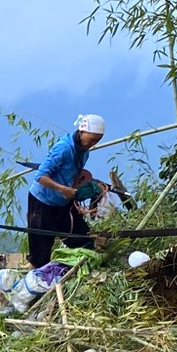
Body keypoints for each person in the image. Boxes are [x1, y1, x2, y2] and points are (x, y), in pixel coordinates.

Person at [25, 114, 108, 268]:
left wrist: (83, 186)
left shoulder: (84, 151)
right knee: (40, 253)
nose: (93, 144)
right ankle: (37, 277)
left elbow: (73, 174)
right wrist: (63, 189)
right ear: (82, 132)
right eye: (92, 139)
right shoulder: (63, 149)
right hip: (43, 201)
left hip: (63, 202)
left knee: (82, 238)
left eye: (97, 141)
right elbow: (41, 176)